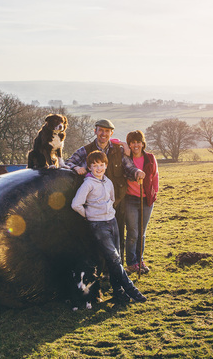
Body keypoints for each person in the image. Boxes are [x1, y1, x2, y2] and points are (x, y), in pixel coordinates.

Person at [71, 150, 147, 303]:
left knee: (115, 259)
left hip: (112, 222)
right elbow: (76, 204)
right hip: (98, 226)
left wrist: (108, 213)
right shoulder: (88, 184)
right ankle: (132, 290)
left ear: (106, 165)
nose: (98, 168)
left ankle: (118, 293)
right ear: (90, 167)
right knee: (114, 258)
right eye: (94, 165)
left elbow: (111, 199)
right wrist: (89, 215)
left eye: (101, 165)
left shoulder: (108, 182)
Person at [66, 119, 145, 261]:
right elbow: (68, 162)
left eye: (107, 131)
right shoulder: (85, 150)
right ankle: (99, 269)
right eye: (101, 130)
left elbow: (129, 167)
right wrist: (76, 168)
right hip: (94, 206)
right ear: (95, 131)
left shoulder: (119, 151)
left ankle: (116, 268)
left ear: (111, 133)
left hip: (116, 203)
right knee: (95, 238)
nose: (103, 134)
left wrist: (137, 172)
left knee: (118, 236)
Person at [123, 130, 159, 274]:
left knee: (142, 233)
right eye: (132, 142)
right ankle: (131, 263)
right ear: (129, 144)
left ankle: (140, 260)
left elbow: (155, 176)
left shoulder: (150, 158)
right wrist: (122, 144)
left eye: (138, 142)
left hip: (147, 200)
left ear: (143, 143)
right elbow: (113, 141)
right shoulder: (126, 158)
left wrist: (154, 193)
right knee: (132, 232)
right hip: (130, 199)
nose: (136, 145)